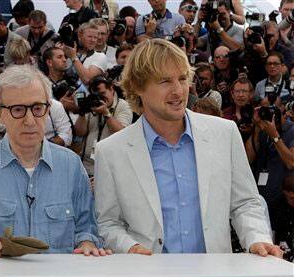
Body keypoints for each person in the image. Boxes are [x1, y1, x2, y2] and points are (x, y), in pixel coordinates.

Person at [95, 39, 282, 258]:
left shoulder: (224, 133)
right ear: (138, 86)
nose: (178, 91)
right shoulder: (110, 151)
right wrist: (130, 247)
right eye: (165, 81)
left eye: (183, 79)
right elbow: (108, 223)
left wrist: (257, 238)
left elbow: (245, 202)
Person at [0, 64, 109, 257]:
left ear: (48, 109)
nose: (30, 120)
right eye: (18, 110)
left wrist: (86, 244)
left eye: (37, 108)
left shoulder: (72, 166)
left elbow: (87, 230)